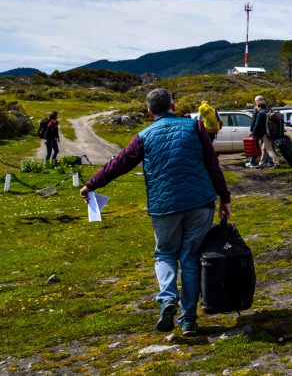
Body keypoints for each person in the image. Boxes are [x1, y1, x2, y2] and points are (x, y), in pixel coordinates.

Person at [79, 88, 231, 337]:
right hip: (200, 203)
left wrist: (91, 184)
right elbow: (212, 164)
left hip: (165, 206)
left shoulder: (144, 135)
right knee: (191, 258)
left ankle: (168, 298)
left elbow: (119, 163)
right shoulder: (195, 127)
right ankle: (189, 320)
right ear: (173, 105)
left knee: (165, 254)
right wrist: (225, 198)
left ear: (149, 112)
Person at [250, 95, 277, 168]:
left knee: (269, 150)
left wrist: (253, 133)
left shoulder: (260, 113)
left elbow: (257, 125)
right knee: (263, 149)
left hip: (265, 134)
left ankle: (276, 163)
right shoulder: (268, 111)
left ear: (259, 107)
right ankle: (261, 163)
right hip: (270, 133)